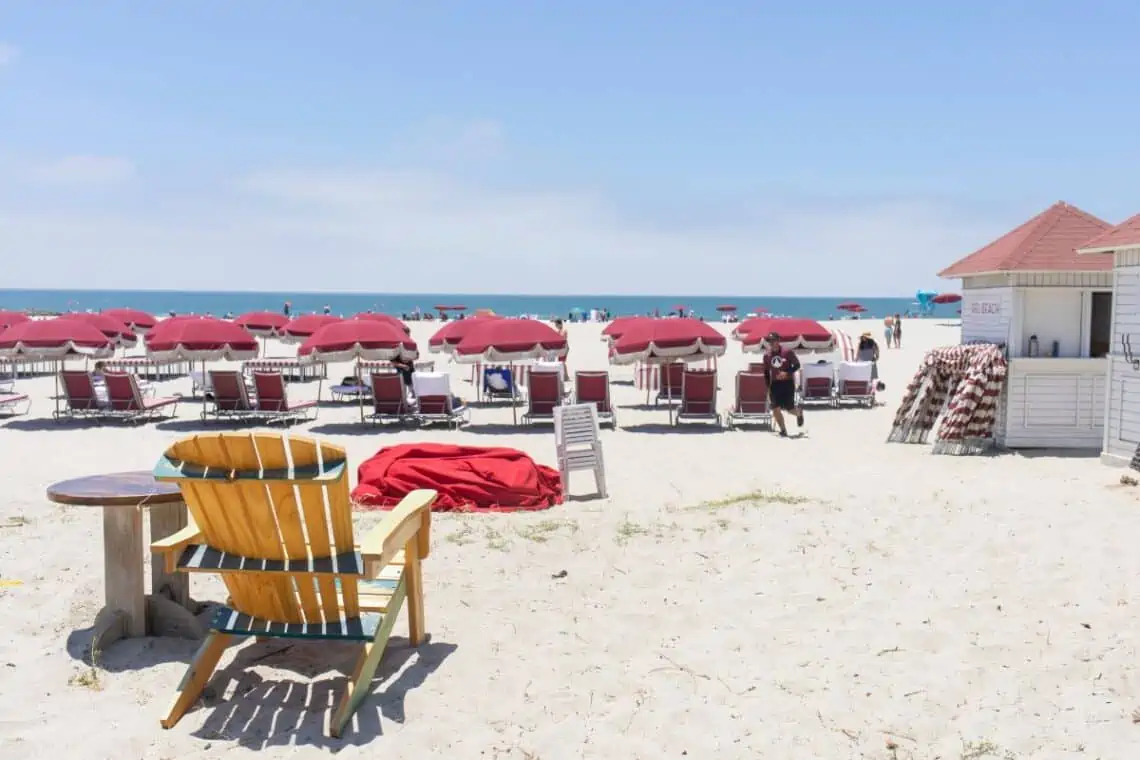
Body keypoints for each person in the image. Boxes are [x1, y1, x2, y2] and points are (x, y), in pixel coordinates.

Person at [761, 331, 803, 437]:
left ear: (778, 341)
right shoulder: (767, 355)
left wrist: (787, 372)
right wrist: (768, 386)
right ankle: (783, 430)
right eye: (770, 341)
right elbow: (766, 372)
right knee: (775, 408)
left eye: (773, 340)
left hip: (788, 383)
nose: (771, 342)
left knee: (790, 409)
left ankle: (799, 413)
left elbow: (797, 365)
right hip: (775, 384)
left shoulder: (787, 352)